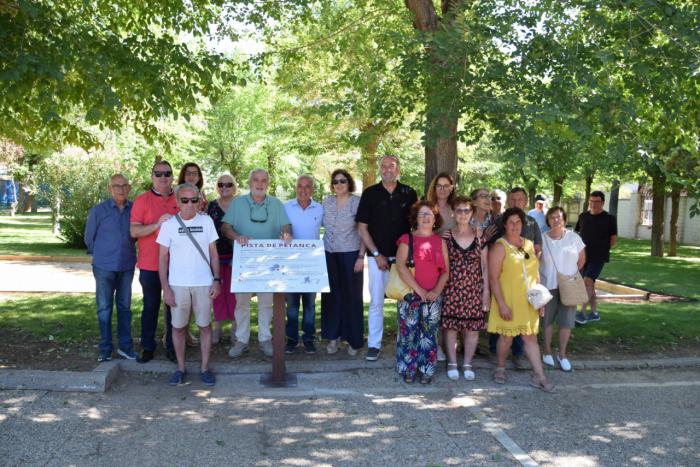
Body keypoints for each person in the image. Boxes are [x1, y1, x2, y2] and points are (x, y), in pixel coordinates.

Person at [221, 168, 292, 358]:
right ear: (250, 183)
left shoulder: (276, 204)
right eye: (256, 180)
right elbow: (225, 226)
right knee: (242, 303)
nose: (259, 184)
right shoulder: (238, 203)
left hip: (269, 263)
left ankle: (264, 339)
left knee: (266, 303)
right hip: (244, 262)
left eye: (263, 181)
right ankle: (241, 340)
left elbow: (285, 224)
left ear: (267, 184)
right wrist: (237, 236)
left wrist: (286, 233)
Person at [157, 183, 220, 386]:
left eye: (194, 199)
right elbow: (162, 259)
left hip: (203, 283)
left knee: (204, 326)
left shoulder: (207, 221)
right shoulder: (169, 225)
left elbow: (213, 254)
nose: (190, 204)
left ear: (199, 200)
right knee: (178, 328)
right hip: (178, 284)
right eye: (184, 200)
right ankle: (180, 368)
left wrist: (216, 280)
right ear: (177, 202)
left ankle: (204, 368)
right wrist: (165, 288)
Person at [357, 155, 417, 361]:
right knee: (376, 303)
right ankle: (374, 344)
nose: (387, 169)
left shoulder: (409, 193)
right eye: (383, 166)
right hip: (378, 259)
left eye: (391, 166)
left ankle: (406, 343)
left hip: (404, 259)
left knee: (406, 302)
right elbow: (362, 228)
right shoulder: (370, 193)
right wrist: (375, 254)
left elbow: (415, 227)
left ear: (398, 169)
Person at [487, 208, 554, 392]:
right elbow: (493, 278)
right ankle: (500, 367)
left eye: (518, 222)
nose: (515, 226)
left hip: (528, 301)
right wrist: (501, 304)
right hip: (508, 300)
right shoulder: (499, 247)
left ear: (522, 225)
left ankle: (539, 376)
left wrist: (540, 302)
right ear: (505, 225)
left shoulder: (530, 245)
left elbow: (535, 275)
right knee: (506, 337)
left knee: (530, 337)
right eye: (511, 222)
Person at [395, 201, 449, 384]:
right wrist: (420, 291)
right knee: (408, 334)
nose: (426, 217)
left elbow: (446, 271)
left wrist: (435, 291)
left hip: (433, 298)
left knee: (429, 335)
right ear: (415, 218)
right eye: (422, 214)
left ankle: (427, 369)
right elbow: (401, 267)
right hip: (410, 295)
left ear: (435, 218)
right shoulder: (406, 239)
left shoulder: (439, 241)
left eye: (429, 214)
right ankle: (408, 369)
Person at [488, 187, 543, 369]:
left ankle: (530, 366)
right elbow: (492, 259)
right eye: (513, 199)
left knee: (527, 334)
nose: (514, 225)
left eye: (520, 199)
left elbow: (535, 261)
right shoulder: (498, 224)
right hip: (506, 285)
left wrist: (539, 298)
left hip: (526, 291)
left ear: (526, 202)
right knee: (505, 333)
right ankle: (499, 360)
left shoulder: (532, 224)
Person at [84, 174, 137, 362]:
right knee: (104, 308)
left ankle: (125, 347)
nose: (120, 189)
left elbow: (137, 233)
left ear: (129, 188)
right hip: (104, 267)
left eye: (124, 186)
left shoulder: (134, 210)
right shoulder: (99, 211)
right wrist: (100, 256)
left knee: (125, 307)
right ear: (110, 189)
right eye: (116, 186)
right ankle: (105, 349)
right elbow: (89, 237)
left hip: (126, 265)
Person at [130, 160, 179, 363]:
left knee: (173, 307)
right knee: (151, 305)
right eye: (158, 174)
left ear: (172, 177)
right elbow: (134, 231)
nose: (163, 177)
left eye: (167, 173)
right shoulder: (142, 200)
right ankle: (148, 347)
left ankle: (173, 347)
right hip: (150, 264)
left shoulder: (182, 199)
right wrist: (157, 224)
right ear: (152, 176)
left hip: (176, 264)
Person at [440, 197, 489, 381]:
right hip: (452, 288)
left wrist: (486, 291)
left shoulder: (479, 236)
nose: (463, 214)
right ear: (453, 212)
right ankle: (452, 362)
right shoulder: (446, 236)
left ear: (471, 212)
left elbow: (485, 266)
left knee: (472, 329)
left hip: (474, 289)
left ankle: (467, 362)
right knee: (451, 328)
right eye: (459, 210)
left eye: (466, 210)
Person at [321, 169, 365, 356]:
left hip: (351, 255)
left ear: (349, 183)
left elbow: (363, 230)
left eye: (343, 181)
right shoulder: (327, 201)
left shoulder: (356, 202)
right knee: (331, 298)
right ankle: (333, 338)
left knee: (352, 298)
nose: (339, 184)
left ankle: (353, 340)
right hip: (329, 254)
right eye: (336, 181)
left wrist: (361, 257)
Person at [540, 206, 586, 372]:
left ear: (565, 220)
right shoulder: (542, 238)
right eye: (552, 217)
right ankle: (546, 351)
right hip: (548, 285)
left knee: (566, 321)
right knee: (546, 321)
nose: (556, 220)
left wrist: (570, 276)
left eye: (559, 217)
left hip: (569, 285)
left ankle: (563, 354)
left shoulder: (574, 238)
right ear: (548, 220)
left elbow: (581, 260)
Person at [284, 175, 323, 354]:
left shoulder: (320, 209)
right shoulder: (286, 207)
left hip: (311, 265)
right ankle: (291, 339)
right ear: (295, 188)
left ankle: (308, 339)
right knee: (291, 306)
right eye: (300, 186)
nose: (303, 189)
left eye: (307, 186)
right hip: (291, 265)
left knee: (309, 305)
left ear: (312, 189)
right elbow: (281, 229)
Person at [574, 190, 617, 324]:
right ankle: (594, 313)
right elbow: (576, 234)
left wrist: (603, 250)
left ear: (603, 202)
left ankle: (581, 313)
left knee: (588, 280)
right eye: (591, 201)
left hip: (598, 257)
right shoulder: (583, 216)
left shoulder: (609, 218)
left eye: (597, 202)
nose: (593, 204)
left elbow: (613, 239)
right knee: (589, 284)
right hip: (583, 256)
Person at [426, 172, 456, 363]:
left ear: (452, 188)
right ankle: (434, 345)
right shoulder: (427, 208)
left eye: (446, 186)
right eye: (439, 185)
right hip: (432, 262)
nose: (443, 189)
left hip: (456, 263)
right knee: (434, 306)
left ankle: (449, 346)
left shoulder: (458, 208)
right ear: (434, 188)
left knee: (449, 307)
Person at [177, 162, 208, 346]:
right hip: (180, 252)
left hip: (198, 255)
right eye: (188, 173)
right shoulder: (178, 192)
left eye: (195, 174)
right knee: (178, 304)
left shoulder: (203, 196)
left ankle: (187, 335)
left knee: (194, 303)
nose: (191, 176)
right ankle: (175, 337)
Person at [206, 174, 238, 345]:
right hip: (216, 256)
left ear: (234, 187)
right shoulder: (210, 206)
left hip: (237, 256)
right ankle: (217, 328)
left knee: (234, 294)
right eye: (221, 184)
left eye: (228, 184)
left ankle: (235, 329)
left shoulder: (241, 205)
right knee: (216, 293)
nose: (224, 187)